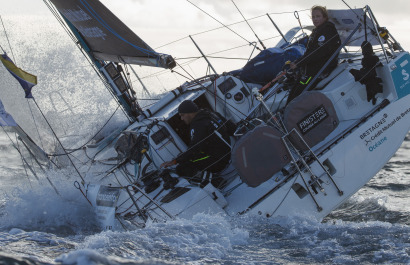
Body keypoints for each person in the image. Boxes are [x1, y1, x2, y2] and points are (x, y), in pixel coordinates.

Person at [161, 100, 235, 185]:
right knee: (186, 158)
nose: (181, 118)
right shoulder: (212, 114)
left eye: (182, 115)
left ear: (189, 112)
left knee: (182, 168)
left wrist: (175, 161)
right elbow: (231, 128)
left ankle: (216, 181)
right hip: (229, 151)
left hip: (220, 160)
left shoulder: (197, 125)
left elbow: (195, 148)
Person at [286, 5, 341, 104]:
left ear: (325, 17)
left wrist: (299, 63)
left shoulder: (327, 31)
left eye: (318, 16)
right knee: (293, 92)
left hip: (318, 71)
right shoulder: (317, 31)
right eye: (313, 17)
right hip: (309, 71)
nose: (315, 19)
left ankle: (291, 114)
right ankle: (284, 114)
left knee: (297, 95)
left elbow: (317, 52)